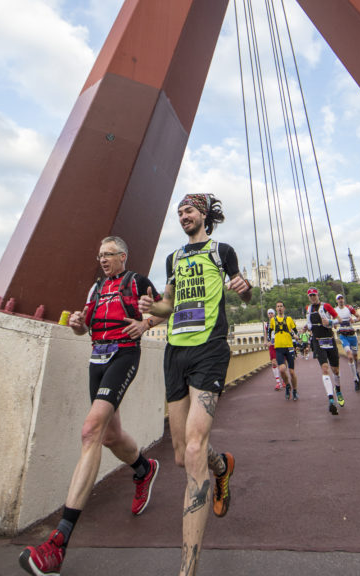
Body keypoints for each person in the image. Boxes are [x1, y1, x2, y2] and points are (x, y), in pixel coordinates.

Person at [19, 236, 162, 576]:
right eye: (99, 255)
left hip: (123, 353)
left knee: (90, 431)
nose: (102, 259)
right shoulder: (95, 288)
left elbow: (162, 310)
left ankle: (57, 544)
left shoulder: (138, 282)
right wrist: (79, 326)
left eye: (108, 254)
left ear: (123, 256)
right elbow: (85, 329)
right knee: (111, 436)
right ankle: (144, 469)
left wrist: (145, 323)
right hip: (96, 357)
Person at [139, 193, 252, 576]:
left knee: (192, 447)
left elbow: (245, 289)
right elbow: (167, 305)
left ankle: (187, 570)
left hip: (210, 349)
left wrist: (244, 286)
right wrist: (149, 310)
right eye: (179, 212)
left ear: (203, 215)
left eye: (188, 210)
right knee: (178, 452)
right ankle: (221, 467)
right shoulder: (173, 258)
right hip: (175, 352)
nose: (183, 216)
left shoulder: (222, 251)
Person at [305, 287, 344, 415]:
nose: (312, 297)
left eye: (314, 295)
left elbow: (339, 320)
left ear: (318, 295)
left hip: (329, 339)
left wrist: (330, 321)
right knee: (325, 368)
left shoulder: (326, 306)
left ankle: (338, 390)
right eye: (310, 296)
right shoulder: (308, 309)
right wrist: (305, 327)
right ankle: (331, 400)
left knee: (335, 370)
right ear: (308, 297)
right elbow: (310, 323)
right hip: (318, 341)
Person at [269, 300, 299, 400]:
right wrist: (270, 341)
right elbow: (270, 331)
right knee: (281, 369)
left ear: (284, 308)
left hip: (289, 347)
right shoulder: (273, 320)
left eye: (281, 306)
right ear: (276, 308)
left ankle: (294, 390)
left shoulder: (289, 319)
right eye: (278, 306)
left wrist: (295, 335)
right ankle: (287, 385)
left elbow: (295, 331)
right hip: (278, 348)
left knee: (291, 372)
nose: (280, 308)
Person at [335, 293, 360, 390]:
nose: (341, 300)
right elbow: (333, 323)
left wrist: (354, 320)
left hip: (352, 336)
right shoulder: (335, 311)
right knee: (349, 355)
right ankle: (355, 379)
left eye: (342, 298)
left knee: (355, 357)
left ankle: (356, 372)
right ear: (337, 301)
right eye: (339, 299)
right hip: (343, 336)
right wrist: (334, 325)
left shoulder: (349, 308)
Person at [265, 308, 283, 390]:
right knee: (273, 363)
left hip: (279, 344)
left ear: (274, 314)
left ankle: (284, 380)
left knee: (282, 363)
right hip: (272, 345)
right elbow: (266, 334)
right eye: (269, 313)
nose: (270, 315)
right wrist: (266, 341)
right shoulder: (267, 324)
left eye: (271, 313)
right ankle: (278, 382)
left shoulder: (278, 321)